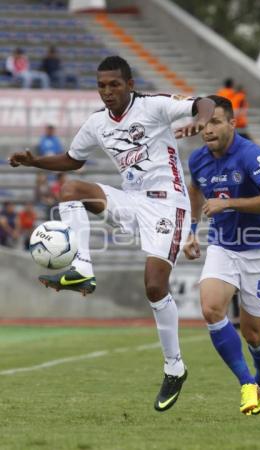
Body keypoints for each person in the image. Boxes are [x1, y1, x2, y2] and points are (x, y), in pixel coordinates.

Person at [9, 55, 215, 412]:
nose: (107, 92)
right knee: (71, 189)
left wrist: (200, 121)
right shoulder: (96, 124)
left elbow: (206, 102)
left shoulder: (154, 107)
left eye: (114, 85)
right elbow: (73, 160)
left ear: (130, 84)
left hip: (169, 205)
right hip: (130, 200)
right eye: (101, 85)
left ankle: (174, 367)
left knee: (154, 286)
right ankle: (83, 269)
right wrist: (33, 161)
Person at [181, 95, 260, 416]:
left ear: (232, 123)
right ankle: (246, 383)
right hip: (224, 246)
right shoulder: (198, 160)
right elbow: (196, 189)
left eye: (215, 122)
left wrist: (229, 204)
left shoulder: (250, 155)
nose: (207, 129)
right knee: (211, 309)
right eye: (203, 123)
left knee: (253, 334)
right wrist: (192, 230)